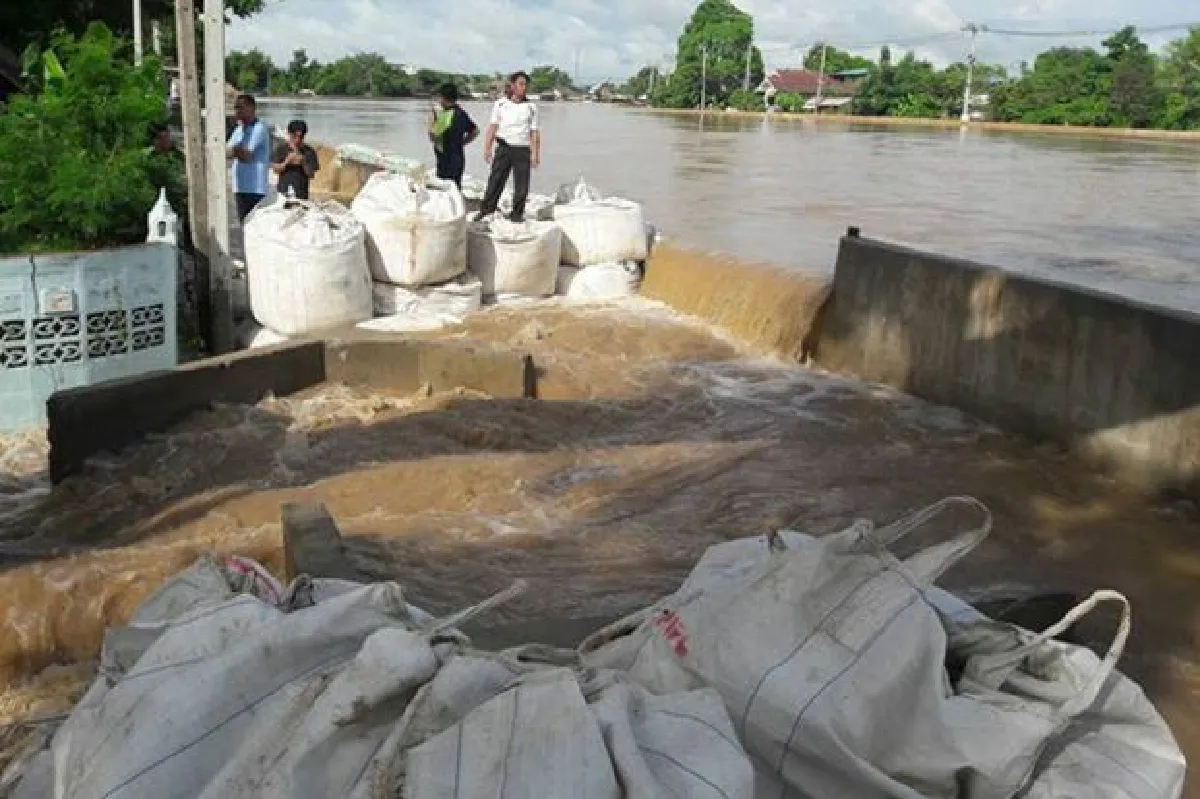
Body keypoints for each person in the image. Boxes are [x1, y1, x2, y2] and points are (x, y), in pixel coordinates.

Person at [477, 71, 540, 223]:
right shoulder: (501, 104)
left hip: (522, 149)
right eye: (520, 84)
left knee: (522, 186)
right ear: (512, 86)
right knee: (495, 181)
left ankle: (517, 214)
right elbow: (492, 127)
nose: (524, 88)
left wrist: (535, 154)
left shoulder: (531, 107)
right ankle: (486, 210)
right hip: (504, 147)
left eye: (525, 85)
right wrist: (487, 148)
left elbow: (534, 132)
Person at [226, 94, 270, 222]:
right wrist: (236, 150)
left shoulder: (259, 128)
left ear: (251, 108)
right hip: (240, 187)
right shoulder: (239, 129)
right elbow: (226, 153)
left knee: (255, 226)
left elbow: (247, 156)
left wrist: (235, 150)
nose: (237, 111)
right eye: (236, 108)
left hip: (255, 189)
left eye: (240, 107)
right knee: (243, 224)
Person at [428, 83, 478, 189]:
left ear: (443, 98)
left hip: (445, 160)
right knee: (455, 188)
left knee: (444, 191)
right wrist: (463, 142)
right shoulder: (461, 113)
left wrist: (432, 117)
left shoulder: (445, 116)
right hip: (458, 158)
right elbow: (475, 131)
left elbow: (432, 136)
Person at [272, 119, 320, 200]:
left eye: (300, 137)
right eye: (294, 136)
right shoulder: (281, 149)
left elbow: (311, 175)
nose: (297, 140)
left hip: (302, 196)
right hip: (282, 196)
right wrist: (287, 161)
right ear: (289, 133)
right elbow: (275, 170)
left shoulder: (309, 151)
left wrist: (303, 162)